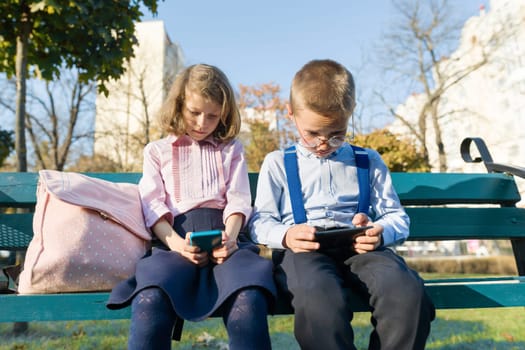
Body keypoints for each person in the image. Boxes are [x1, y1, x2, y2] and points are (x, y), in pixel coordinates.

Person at [249, 59, 435, 350]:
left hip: (360, 248)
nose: (324, 143)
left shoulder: (368, 161)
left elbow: (396, 216)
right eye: (313, 134)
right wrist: (286, 235)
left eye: (336, 134)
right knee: (318, 297)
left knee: (407, 293)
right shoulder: (278, 163)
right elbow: (260, 221)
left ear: (350, 114)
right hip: (304, 253)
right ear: (291, 115)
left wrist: (380, 231)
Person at [107, 64, 276, 350]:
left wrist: (231, 239)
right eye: (194, 112)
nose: (202, 122)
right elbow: (152, 203)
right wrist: (175, 244)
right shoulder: (157, 151)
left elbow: (238, 199)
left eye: (212, 115)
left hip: (227, 242)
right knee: (150, 299)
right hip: (174, 242)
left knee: (248, 299)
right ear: (179, 105)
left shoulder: (230, 149)